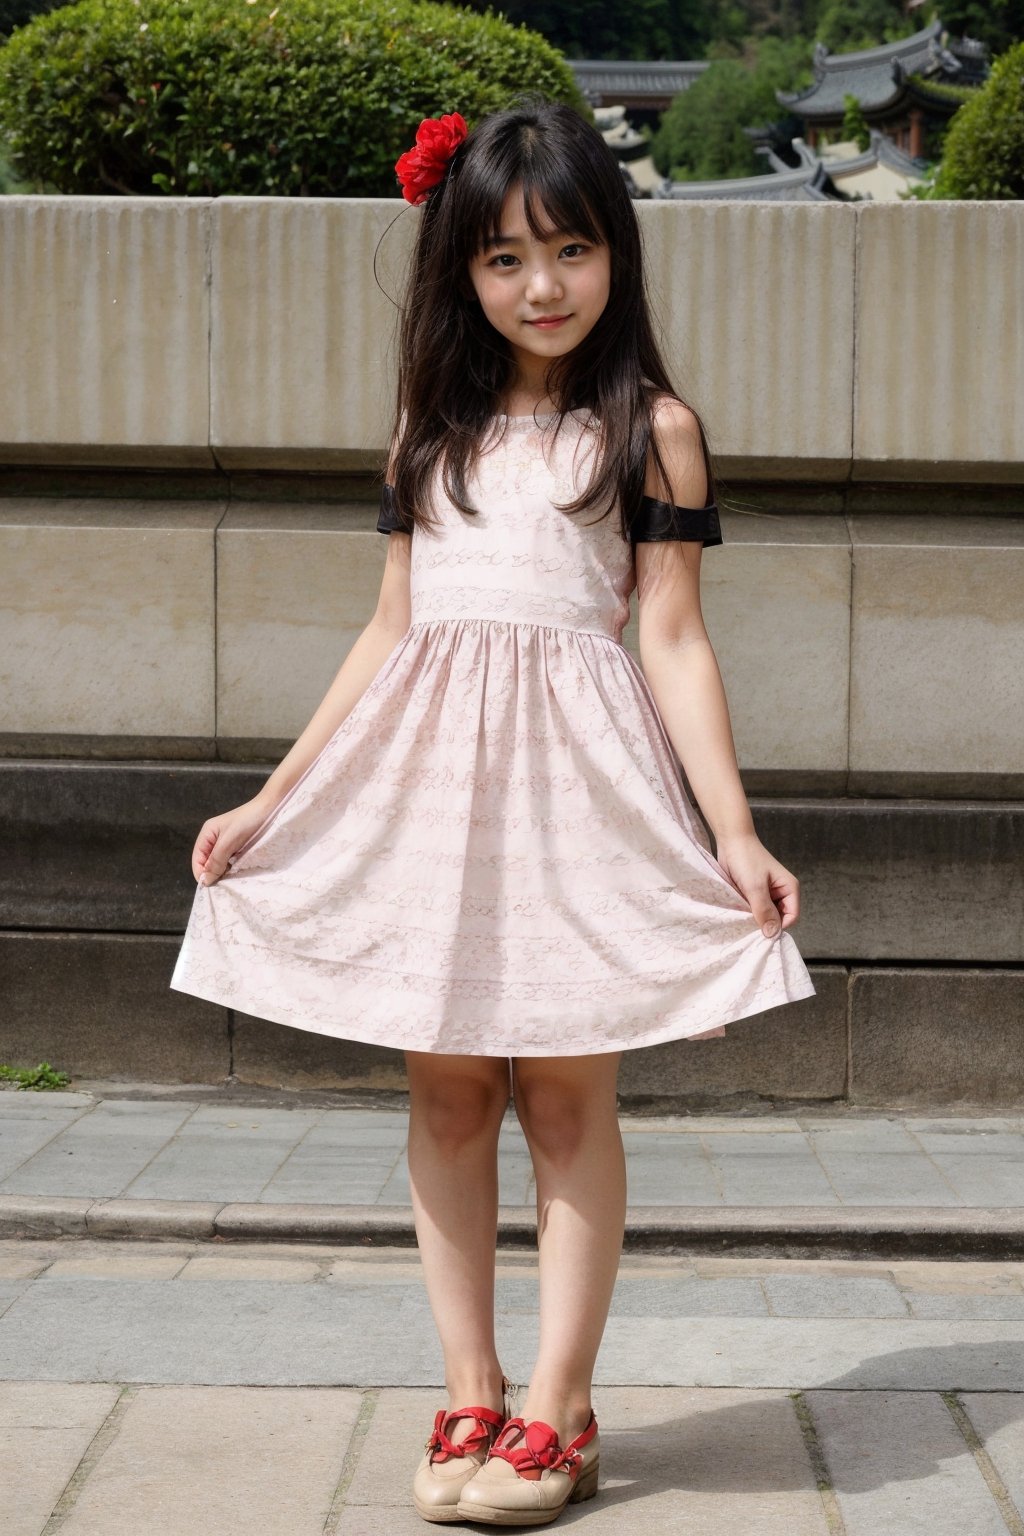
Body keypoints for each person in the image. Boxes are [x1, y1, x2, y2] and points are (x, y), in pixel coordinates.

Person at [170, 97, 816, 1527]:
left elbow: (674, 639)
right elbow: (390, 629)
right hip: (432, 794)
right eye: (508, 258)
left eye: (572, 249)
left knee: (570, 1096)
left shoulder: (651, 429)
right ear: (460, 268)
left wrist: (734, 832)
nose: (543, 287)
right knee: (451, 1089)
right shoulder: (431, 426)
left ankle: (559, 1407)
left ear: (616, 254)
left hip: (581, 794)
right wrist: (276, 799)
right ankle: (468, 1386)